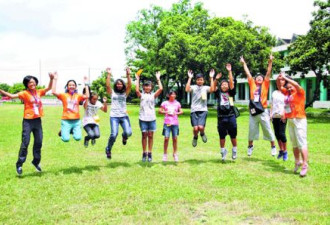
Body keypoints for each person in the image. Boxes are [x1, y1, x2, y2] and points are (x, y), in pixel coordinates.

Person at [0, 73, 54, 175]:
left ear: (36, 83)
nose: (32, 83)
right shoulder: (24, 93)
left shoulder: (38, 92)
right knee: (25, 142)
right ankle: (19, 164)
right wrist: (1, 90)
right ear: (27, 84)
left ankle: (36, 162)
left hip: (37, 121)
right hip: (28, 121)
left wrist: (51, 79)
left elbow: (49, 88)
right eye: (29, 82)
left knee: (39, 142)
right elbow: (11, 96)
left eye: (33, 81)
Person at [240, 55, 277, 157]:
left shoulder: (265, 85)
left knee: (268, 129)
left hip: (263, 110)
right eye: (258, 77)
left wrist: (270, 62)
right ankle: (250, 147)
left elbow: (268, 73)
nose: (260, 78)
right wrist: (244, 64)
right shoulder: (252, 84)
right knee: (252, 130)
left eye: (261, 77)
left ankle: (273, 147)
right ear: (255, 80)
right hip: (253, 111)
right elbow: (248, 74)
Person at [278, 74, 309, 177]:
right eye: (288, 86)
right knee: (294, 143)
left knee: (302, 142)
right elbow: (279, 86)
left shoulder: (300, 92)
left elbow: (295, 84)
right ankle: (297, 162)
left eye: (291, 86)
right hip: (290, 120)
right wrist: (279, 79)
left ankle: (305, 164)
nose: (290, 87)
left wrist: (287, 79)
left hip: (299, 119)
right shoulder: (288, 93)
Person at [52, 73, 89, 142]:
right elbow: (53, 92)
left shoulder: (78, 95)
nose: (71, 86)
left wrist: (86, 84)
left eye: (73, 85)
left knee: (78, 138)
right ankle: (64, 130)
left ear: (75, 87)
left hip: (76, 120)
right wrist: (55, 79)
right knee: (66, 139)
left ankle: (67, 129)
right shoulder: (63, 95)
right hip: (66, 120)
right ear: (67, 87)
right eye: (70, 85)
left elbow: (87, 96)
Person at [105, 67, 132, 159]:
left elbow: (130, 85)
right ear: (115, 85)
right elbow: (108, 86)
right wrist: (109, 74)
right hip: (114, 116)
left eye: (120, 84)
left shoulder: (125, 93)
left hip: (124, 116)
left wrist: (128, 74)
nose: (119, 85)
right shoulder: (112, 93)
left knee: (128, 132)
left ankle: (124, 137)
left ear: (123, 85)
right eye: (117, 84)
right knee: (114, 134)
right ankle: (108, 149)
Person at [135, 71, 163, 162]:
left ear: (151, 87)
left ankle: (150, 153)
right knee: (144, 135)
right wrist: (138, 79)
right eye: (146, 86)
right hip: (142, 118)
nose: (147, 87)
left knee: (150, 135)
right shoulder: (141, 95)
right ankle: (144, 153)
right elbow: (136, 90)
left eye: (149, 86)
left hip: (152, 118)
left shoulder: (153, 96)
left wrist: (158, 78)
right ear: (143, 87)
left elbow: (161, 89)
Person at [213, 64, 238, 161]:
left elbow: (231, 83)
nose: (224, 85)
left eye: (226, 84)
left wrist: (229, 71)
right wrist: (216, 79)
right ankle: (223, 152)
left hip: (231, 116)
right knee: (222, 135)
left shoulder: (231, 93)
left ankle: (234, 150)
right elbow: (213, 87)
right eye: (222, 84)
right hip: (221, 117)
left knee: (233, 135)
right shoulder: (218, 93)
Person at [185, 69, 215, 147]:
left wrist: (211, 78)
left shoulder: (205, 88)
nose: (199, 81)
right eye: (198, 80)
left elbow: (212, 89)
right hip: (194, 110)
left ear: (203, 81)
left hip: (203, 110)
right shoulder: (193, 87)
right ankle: (195, 137)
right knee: (195, 129)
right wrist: (189, 78)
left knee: (201, 127)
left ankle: (202, 134)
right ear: (196, 81)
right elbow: (187, 89)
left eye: (201, 80)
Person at [159, 90, 183, 162]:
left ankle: (175, 154)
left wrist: (176, 113)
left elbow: (181, 111)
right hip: (167, 123)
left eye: (174, 94)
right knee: (166, 138)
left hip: (175, 123)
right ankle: (165, 154)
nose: (173, 96)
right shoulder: (165, 103)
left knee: (175, 138)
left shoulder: (177, 103)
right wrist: (166, 112)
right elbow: (160, 111)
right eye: (171, 94)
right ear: (168, 95)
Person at [270, 72, 288, 161]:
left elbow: (287, 105)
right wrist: (270, 114)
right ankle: (281, 150)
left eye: (283, 80)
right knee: (277, 134)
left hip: (282, 115)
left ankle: (285, 151)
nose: (281, 81)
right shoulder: (274, 92)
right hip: (274, 115)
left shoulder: (286, 92)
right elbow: (272, 104)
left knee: (282, 134)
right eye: (279, 80)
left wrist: (284, 114)